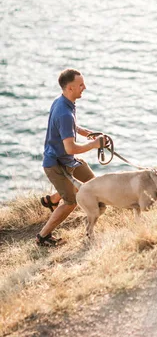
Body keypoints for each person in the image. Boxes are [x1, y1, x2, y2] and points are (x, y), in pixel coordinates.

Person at [36, 69, 104, 247]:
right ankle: (42, 237)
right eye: (81, 85)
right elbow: (71, 147)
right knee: (71, 201)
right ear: (70, 88)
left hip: (67, 160)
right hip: (56, 165)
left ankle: (51, 200)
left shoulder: (62, 102)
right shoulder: (64, 112)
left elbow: (69, 124)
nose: (85, 87)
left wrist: (84, 132)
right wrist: (95, 144)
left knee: (93, 184)